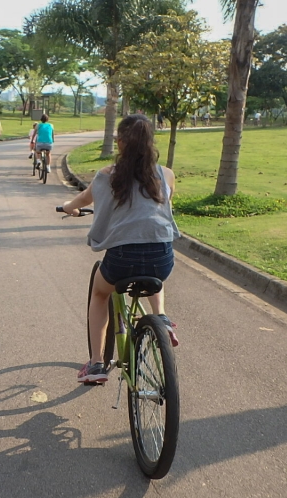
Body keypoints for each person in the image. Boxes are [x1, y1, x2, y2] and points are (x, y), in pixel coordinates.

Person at [60, 114, 180, 384]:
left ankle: (96, 364)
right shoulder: (166, 174)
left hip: (122, 259)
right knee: (154, 272)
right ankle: (161, 317)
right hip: (161, 256)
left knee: (100, 293)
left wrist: (69, 207)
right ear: (150, 143)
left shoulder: (106, 175)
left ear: (120, 142)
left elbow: (81, 200)